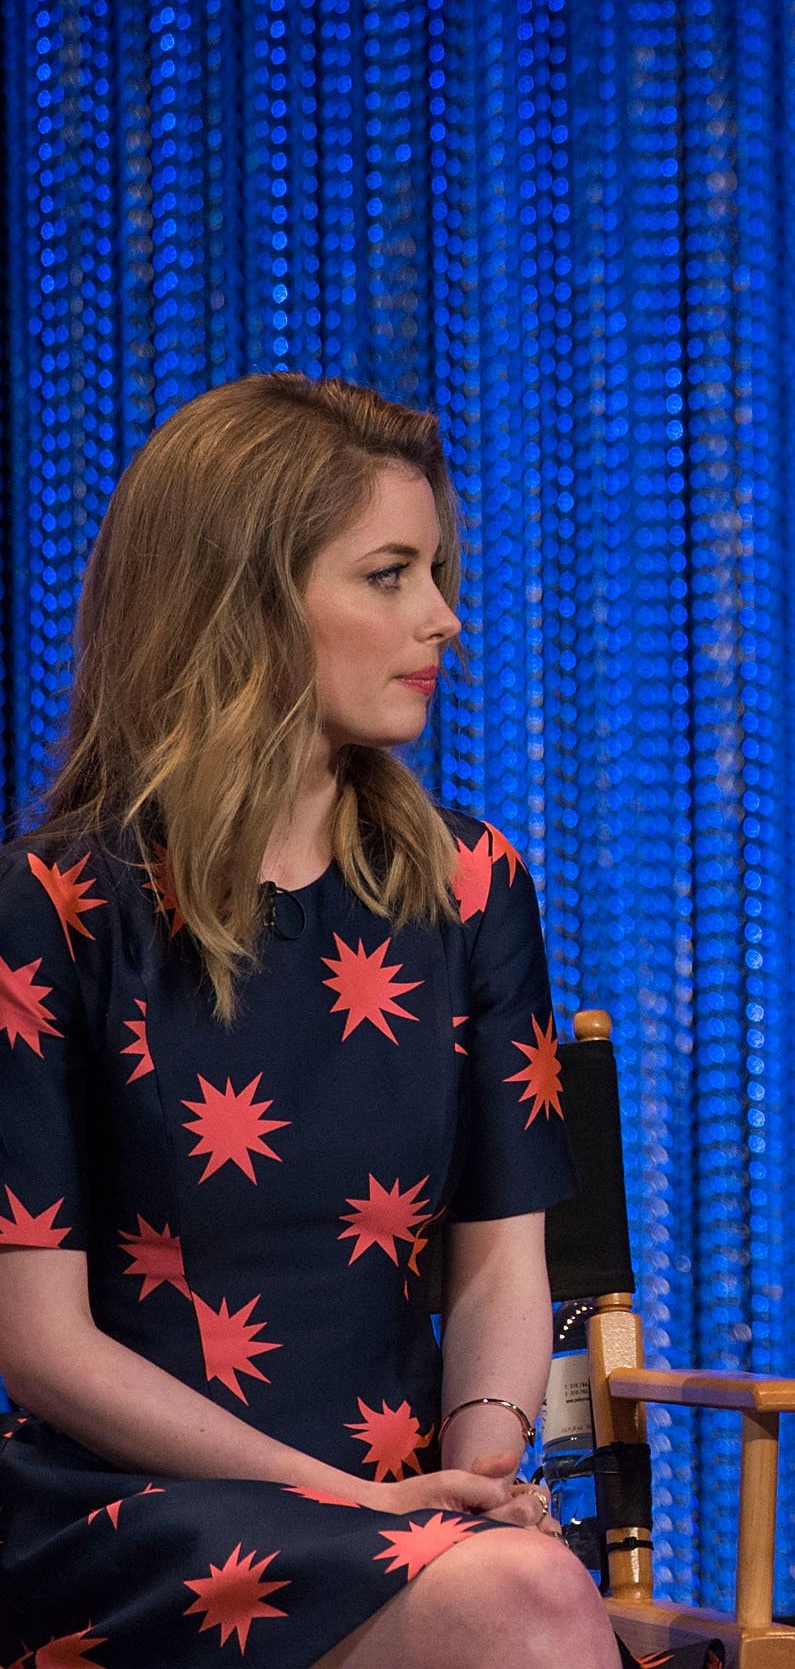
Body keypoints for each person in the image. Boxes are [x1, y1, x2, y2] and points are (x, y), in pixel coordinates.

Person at [0, 375, 623, 1666]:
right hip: (132, 1520)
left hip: (405, 1509)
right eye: (389, 575)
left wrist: (480, 1476)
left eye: (436, 572)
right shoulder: (59, 906)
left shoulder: (472, 888)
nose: (443, 619)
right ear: (246, 602)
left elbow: (504, 1266)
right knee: (534, 1610)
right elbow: (38, 1346)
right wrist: (351, 1502)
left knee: (528, 1592)